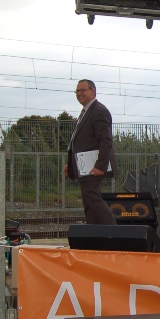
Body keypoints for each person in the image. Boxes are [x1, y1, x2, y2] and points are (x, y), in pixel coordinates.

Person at [65, 79, 118, 225]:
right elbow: (79, 141)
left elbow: (105, 140)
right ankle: (94, 233)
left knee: (92, 198)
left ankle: (113, 231)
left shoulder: (99, 111)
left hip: (93, 165)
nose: (79, 93)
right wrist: (70, 164)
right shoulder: (86, 112)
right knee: (89, 201)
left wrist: (101, 165)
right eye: (77, 91)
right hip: (84, 165)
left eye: (83, 90)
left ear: (92, 91)